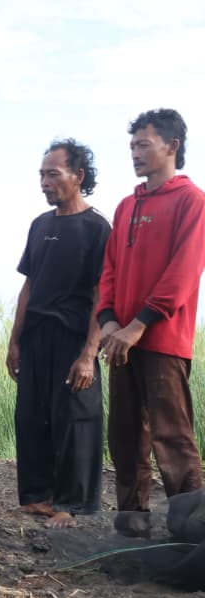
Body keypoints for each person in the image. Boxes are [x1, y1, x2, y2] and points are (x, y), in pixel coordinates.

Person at [97, 108, 205, 538]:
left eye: (144, 145)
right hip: (120, 339)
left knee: (171, 433)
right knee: (124, 433)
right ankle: (133, 520)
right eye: (132, 147)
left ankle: (192, 528)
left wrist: (138, 324)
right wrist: (107, 321)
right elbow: (109, 270)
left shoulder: (192, 201)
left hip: (162, 339)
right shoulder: (126, 206)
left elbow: (182, 273)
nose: (135, 154)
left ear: (171, 147)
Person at [6, 140, 110, 529]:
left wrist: (89, 353)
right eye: (41, 175)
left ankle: (73, 504)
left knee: (75, 419)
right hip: (36, 336)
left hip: (74, 337)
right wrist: (15, 340)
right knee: (31, 415)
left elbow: (103, 295)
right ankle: (38, 496)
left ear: (78, 176)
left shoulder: (97, 228)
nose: (44, 182)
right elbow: (29, 285)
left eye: (53, 174)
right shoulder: (40, 225)